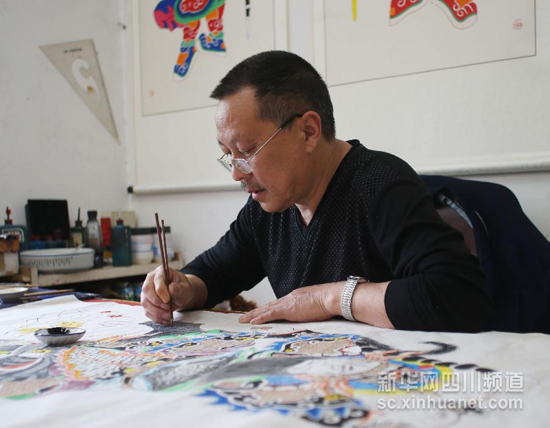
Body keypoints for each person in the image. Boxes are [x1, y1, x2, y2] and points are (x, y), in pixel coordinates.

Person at [141, 50, 492, 332]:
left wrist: (330, 298)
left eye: (246, 151)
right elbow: (215, 273)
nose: (236, 173)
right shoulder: (269, 206)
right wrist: (182, 288)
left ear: (308, 131)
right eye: (228, 155)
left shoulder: (380, 183)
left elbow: (458, 296)